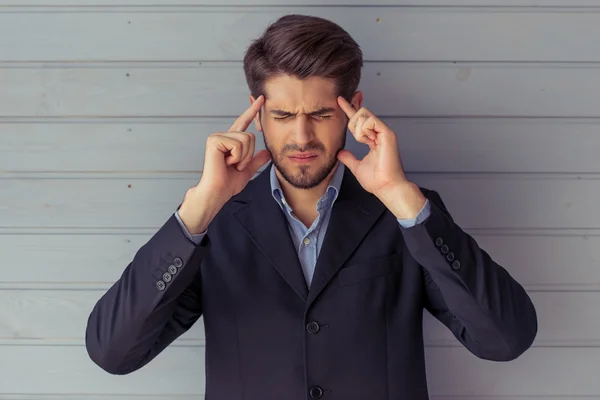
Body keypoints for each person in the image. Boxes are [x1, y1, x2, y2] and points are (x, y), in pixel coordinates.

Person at [85, 14, 537, 400]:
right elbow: (112, 352)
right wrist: (197, 209)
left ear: (354, 110)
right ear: (256, 114)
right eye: (282, 116)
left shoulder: (405, 214)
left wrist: (403, 199)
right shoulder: (213, 222)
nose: (301, 138)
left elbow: (505, 339)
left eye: (321, 115)